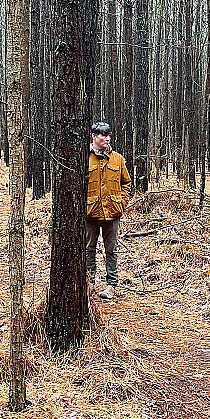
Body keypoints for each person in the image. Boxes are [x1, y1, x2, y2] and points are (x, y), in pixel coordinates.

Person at [87, 122, 131, 299]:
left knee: (111, 250)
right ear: (94, 136)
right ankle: (89, 283)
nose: (107, 139)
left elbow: (126, 183)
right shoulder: (85, 158)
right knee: (89, 248)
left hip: (112, 212)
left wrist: (121, 203)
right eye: (103, 135)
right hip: (90, 212)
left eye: (108, 135)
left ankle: (111, 285)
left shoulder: (118, 159)